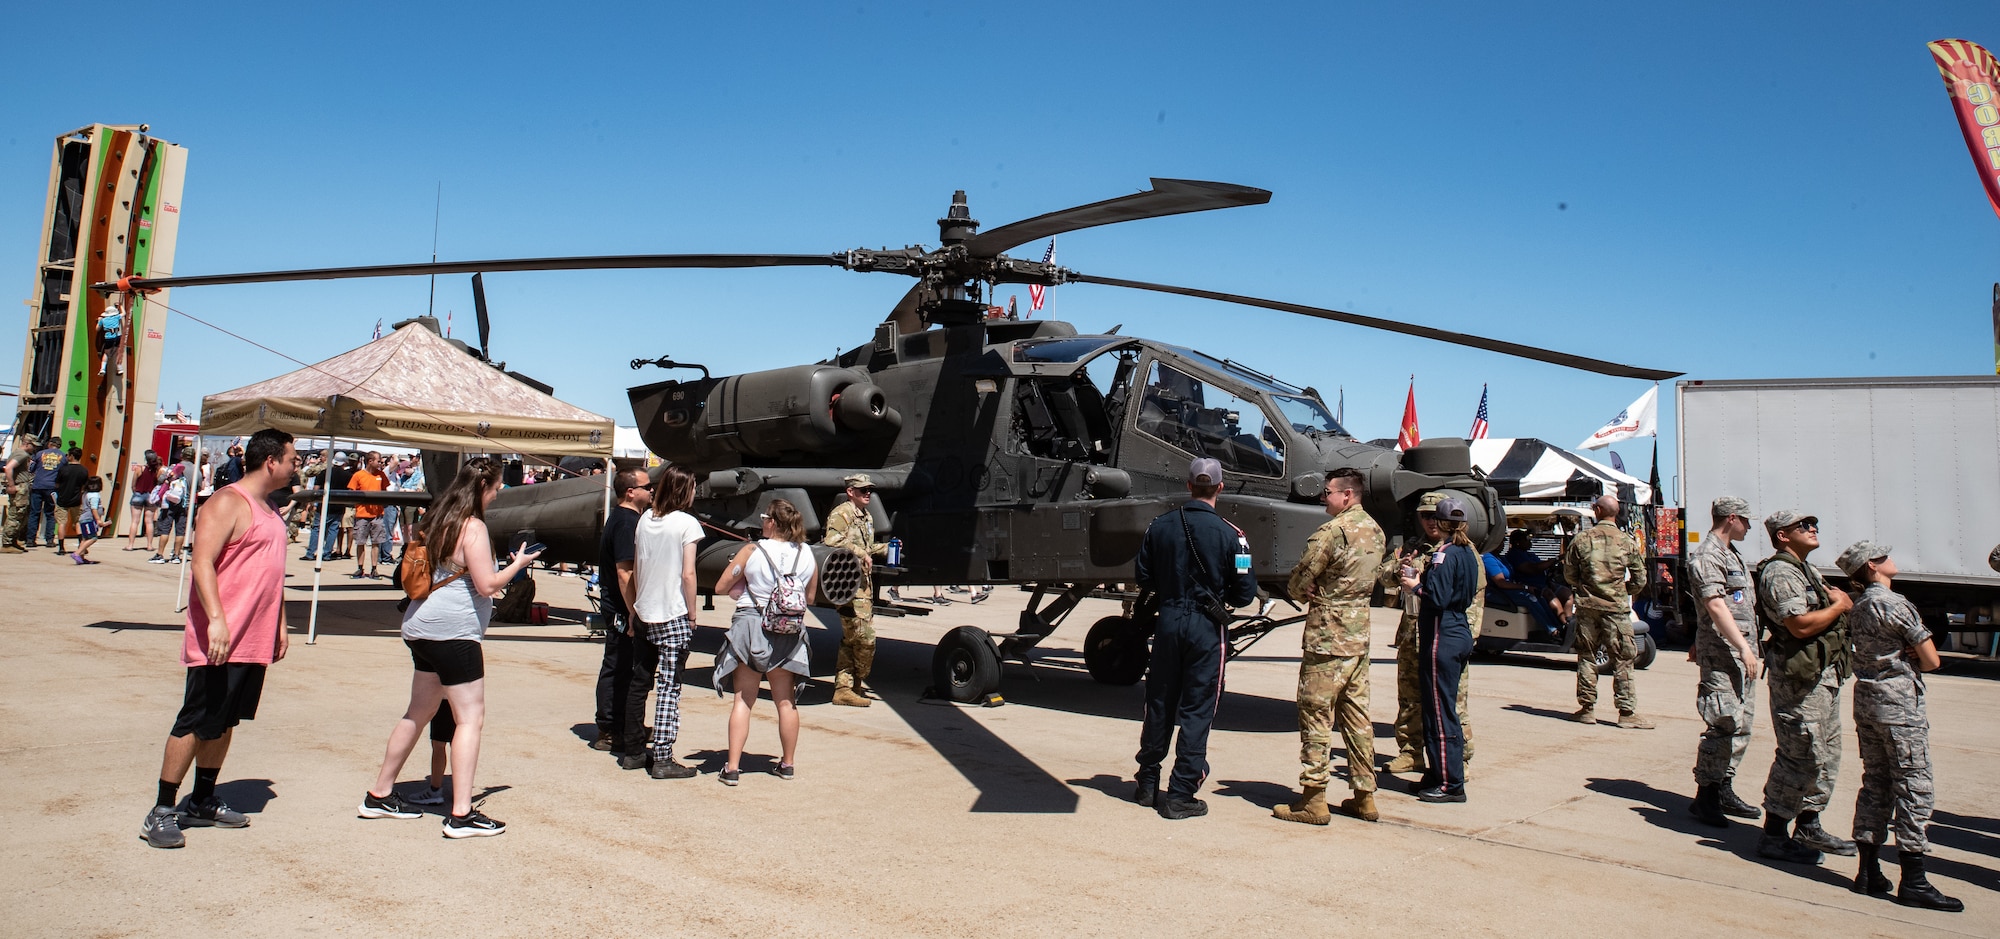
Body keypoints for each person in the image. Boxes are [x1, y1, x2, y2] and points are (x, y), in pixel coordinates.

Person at [358, 457, 541, 838]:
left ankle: (379, 793)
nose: (497, 494)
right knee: (469, 719)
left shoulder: (438, 519)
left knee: (417, 712)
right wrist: (518, 564)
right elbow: (488, 585)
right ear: (482, 489)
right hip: (453, 632)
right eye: (494, 489)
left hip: (420, 626)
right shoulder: (472, 528)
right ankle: (461, 813)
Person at [139, 428, 298, 849]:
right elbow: (202, 564)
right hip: (221, 635)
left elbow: (272, 573)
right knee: (195, 717)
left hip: (254, 636)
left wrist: (280, 622)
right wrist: (216, 621)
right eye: (292, 458)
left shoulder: (270, 508)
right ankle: (161, 808)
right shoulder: (226, 502)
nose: (295, 464)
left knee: (225, 719)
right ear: (271, 462)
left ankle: (203, 799)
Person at [1835, 542, 1962, 911]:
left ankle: (1867, 871)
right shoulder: (1895, 604)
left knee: (1876, 783)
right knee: (1913, 788)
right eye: (1884, 555)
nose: (1892, 559)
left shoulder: (1858, 606)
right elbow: (1932, 659)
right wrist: (1911, 652)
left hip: (1868, 702)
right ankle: (1915, 880)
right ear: (1873, 565)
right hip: (1900, 706)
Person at [1130, 458, 1259, 820]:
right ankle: (1182, 792)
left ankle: (1147, 783)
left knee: (1159, 702)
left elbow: (1143, 575)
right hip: (1206, 628)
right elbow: (1245, 593)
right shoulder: (1235, 536)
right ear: (1220, 487)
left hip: (1169, 621)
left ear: (1189, 486)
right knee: (1197, 709)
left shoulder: (1160, 527)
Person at [1274, 467, 1386, 825]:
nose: (1324, 498)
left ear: (1347, 495)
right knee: (1356, 717)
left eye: (1328, 492)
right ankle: (1365, 796)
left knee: (1316, 713)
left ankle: (1314, 799)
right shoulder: (1375, 530)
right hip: (1358, 637)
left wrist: (1299, 589)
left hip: (1328, 637)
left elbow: (1301, 577)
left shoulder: (1332, 532)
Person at [1753, 509, 1857, 864]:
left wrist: (1841, 602)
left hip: (1821, 677)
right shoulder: (1781, 572)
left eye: (1814, 524)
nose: (1813, 529)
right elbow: (1798, 625)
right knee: (1801, 753)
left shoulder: (1804, 568)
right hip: (1799, 683)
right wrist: (1840, 605)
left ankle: (1809, 823)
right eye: (1804, 526)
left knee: (1825, 753)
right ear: (1783, 535)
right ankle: (1774, 833)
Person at [711, 499, 821, 786]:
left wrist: (745, 583)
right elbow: (809, 598)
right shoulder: (807, 554)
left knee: (743, 700)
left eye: (763, 518)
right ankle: (787, 764)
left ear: (772, 522)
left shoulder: (751, 550)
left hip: (751, 624)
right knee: (785, 701)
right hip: (789, 629)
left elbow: (721, 586)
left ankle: (732, 768)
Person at [1384, 492, 1483, 776]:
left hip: (1443, 636)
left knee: (1451, 701)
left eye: (1434, 515)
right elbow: (1384, 577)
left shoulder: (1461, 550)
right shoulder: (1413, 547)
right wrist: (1398, 568)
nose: (1430, 522)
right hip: (1413, 632)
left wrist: (1468, 635)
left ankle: (1458, 758)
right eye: (1424, 516)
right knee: (1410, 699)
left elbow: (1474, 596)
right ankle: (1411, 752)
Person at [1686, 497, 1765, 827]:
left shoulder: (1732, 553)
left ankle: (1724, 787)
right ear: (1731, 518)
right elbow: (1715, 605)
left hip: (1738, 653)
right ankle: (1706, 796)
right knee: (1723, 722)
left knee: (1742, 723)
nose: (1749, 526)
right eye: (1746, 520)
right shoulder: (1708, 555)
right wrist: (1744, 649)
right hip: (1724, 654)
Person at [631, 466, 704, 779]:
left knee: (641, 682)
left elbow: (638, 565)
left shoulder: (646, 519)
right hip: (672, 611)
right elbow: (688, 573)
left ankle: (633, 751)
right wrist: (692, 612)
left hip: (645, 608)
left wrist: (636, 605)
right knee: (669, 688)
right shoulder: (687, 523)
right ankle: (663, 756)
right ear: (684, 490)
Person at [1561, 495, 1653, 729]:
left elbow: (1569, 574)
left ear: (1599, 511)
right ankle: (1626, 712)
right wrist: (1622, 591)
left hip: (1588, 608)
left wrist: (1585, 588)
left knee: (1587, 656)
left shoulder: (1582, 540)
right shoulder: (1626, 541)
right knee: (1623, 658)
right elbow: (1640, 578)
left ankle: (1587, 709)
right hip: (1616, 610)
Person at [591, 469, 653, 762]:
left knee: (621, 666)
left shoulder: (622, 518)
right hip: (621, 607)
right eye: (647, 487)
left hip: (618, 605)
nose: (651, 491)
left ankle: (622, 725)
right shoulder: (627, 522)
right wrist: (633, 612)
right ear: (631, 491)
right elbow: (624, 572)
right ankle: (610, 729)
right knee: (619, 666)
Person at [821, 473, 887, 707]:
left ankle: (847, 688)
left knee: (852, 639)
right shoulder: (842, 513)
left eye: (869, 490)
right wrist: (860, 554)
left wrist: (885, 548)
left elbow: (866, 546)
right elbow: (832, 540)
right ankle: (852, 682)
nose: (867, 493)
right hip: (848, 585)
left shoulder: (865, 516)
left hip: (864, 588)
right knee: (863, 637)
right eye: (862, 490)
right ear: (851, 492)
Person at [347, 451, 390, 579]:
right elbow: (351, 491)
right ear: (370, 461)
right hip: (362, 514)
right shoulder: (358, 475)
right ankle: (360, 568)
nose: (380, 463)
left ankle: (374, 568)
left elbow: (385, 490)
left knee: (376, 542)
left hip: (377, 515)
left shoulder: (381, 475)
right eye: (378, 461)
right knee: (361, 542)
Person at [26, 435, 67, 548]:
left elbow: (31, 469)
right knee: (50, 514)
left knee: (34, 513)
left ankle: (30, 539)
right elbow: (64, 473)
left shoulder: (39, 454)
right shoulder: (63, 456)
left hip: (38, 486)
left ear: (49, 443)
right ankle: (49, 539)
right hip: (52, 488)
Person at [149, 464, 190, 563]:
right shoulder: (183, 479)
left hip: (168, 506)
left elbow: (160, 485)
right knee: (180, 531)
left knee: (165, 530)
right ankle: (176, 555)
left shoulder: (168, 478)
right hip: (181, 506)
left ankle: (160, 554)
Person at [1, 433, 34, 553]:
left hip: (21, 487)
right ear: (27, 444)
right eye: (33, 446)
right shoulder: (22, 454)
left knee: (21, 515)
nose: (34, 448)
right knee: (15, 515)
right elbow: (8, 468)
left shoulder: (17, 453)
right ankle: (7, 543)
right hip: (19, 487)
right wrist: (11, 485)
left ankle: (13, 541)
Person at [53, 445, 89, 554]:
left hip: (62, 499)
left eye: (68, 455)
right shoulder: (84, 470)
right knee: (77, 522)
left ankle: (61, 547)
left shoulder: (63, 469)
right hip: (76, 500)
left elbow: (57, 484)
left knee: (62, 523)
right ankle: (81, 544)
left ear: (72, 456)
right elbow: (84, 486)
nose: (67, 457)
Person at [125, 450, 162, 551]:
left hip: (138, 494)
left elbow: (133, 484)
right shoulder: (158, 470)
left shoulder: (139, 469)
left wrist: (135, 491)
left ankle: (130, 545)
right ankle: (149, 545)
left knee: (134, 521)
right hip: (150, 496)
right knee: (149, 522)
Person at [73, 476, 105, 563]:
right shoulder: (94, 496)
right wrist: (98, 519)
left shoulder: (86, 494)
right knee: (93, 537)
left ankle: (81, 558)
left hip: (84, 519)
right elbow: (93, 509)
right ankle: (77, 553)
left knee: (85, 538)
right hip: (88, 519)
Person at [97, 301, 125, 376]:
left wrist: (99, 321)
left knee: (106, 353)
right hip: (117, 337)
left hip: (108, 338)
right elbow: (124, 313)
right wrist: (120, 306)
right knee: (117, 353)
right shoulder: (116, 317)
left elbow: (97, 329)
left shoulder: (103, 320)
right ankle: (119, 368)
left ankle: (102, 369)